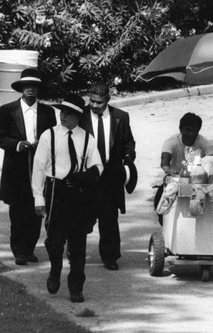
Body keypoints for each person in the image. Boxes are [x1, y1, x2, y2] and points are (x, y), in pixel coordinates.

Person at [32, 94, 103, 303]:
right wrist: (38, 197)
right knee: (54, 241)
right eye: (62, 112)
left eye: (69, 113)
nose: (63, 116)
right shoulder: (49, 136)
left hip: (78, 193)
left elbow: (98, 166)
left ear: (78, 117)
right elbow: (38, 166)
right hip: (56, 190)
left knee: (78, 242)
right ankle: (55, 270)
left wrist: (85, 176)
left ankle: (76, 286)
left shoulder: (87, 138)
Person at [0, 68, 57, 266]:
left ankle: (30, 248)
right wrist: (19, 145)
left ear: (39, 89)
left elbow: (54, 136)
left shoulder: (47, 112)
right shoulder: (8, 110)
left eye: (34, 87)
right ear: (21, 89)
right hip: (17, 166)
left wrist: (43, 144)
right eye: (26, 86)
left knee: (36, 208)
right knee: (18, 209)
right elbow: (0, 137)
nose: (30, 90)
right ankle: (19, 250)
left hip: (39, 166)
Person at [79, 81, 136, 271]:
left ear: (108, 100)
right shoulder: (80, 116)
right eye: (92, 101)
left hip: (110, 176)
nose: (94, 106)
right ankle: (75, 252)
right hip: (86, 175)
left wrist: (128, 159)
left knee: (109, 219)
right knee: (81, 217)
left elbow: (128, 142)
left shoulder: (121, 117)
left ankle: (110, 256)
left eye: (99, 103)